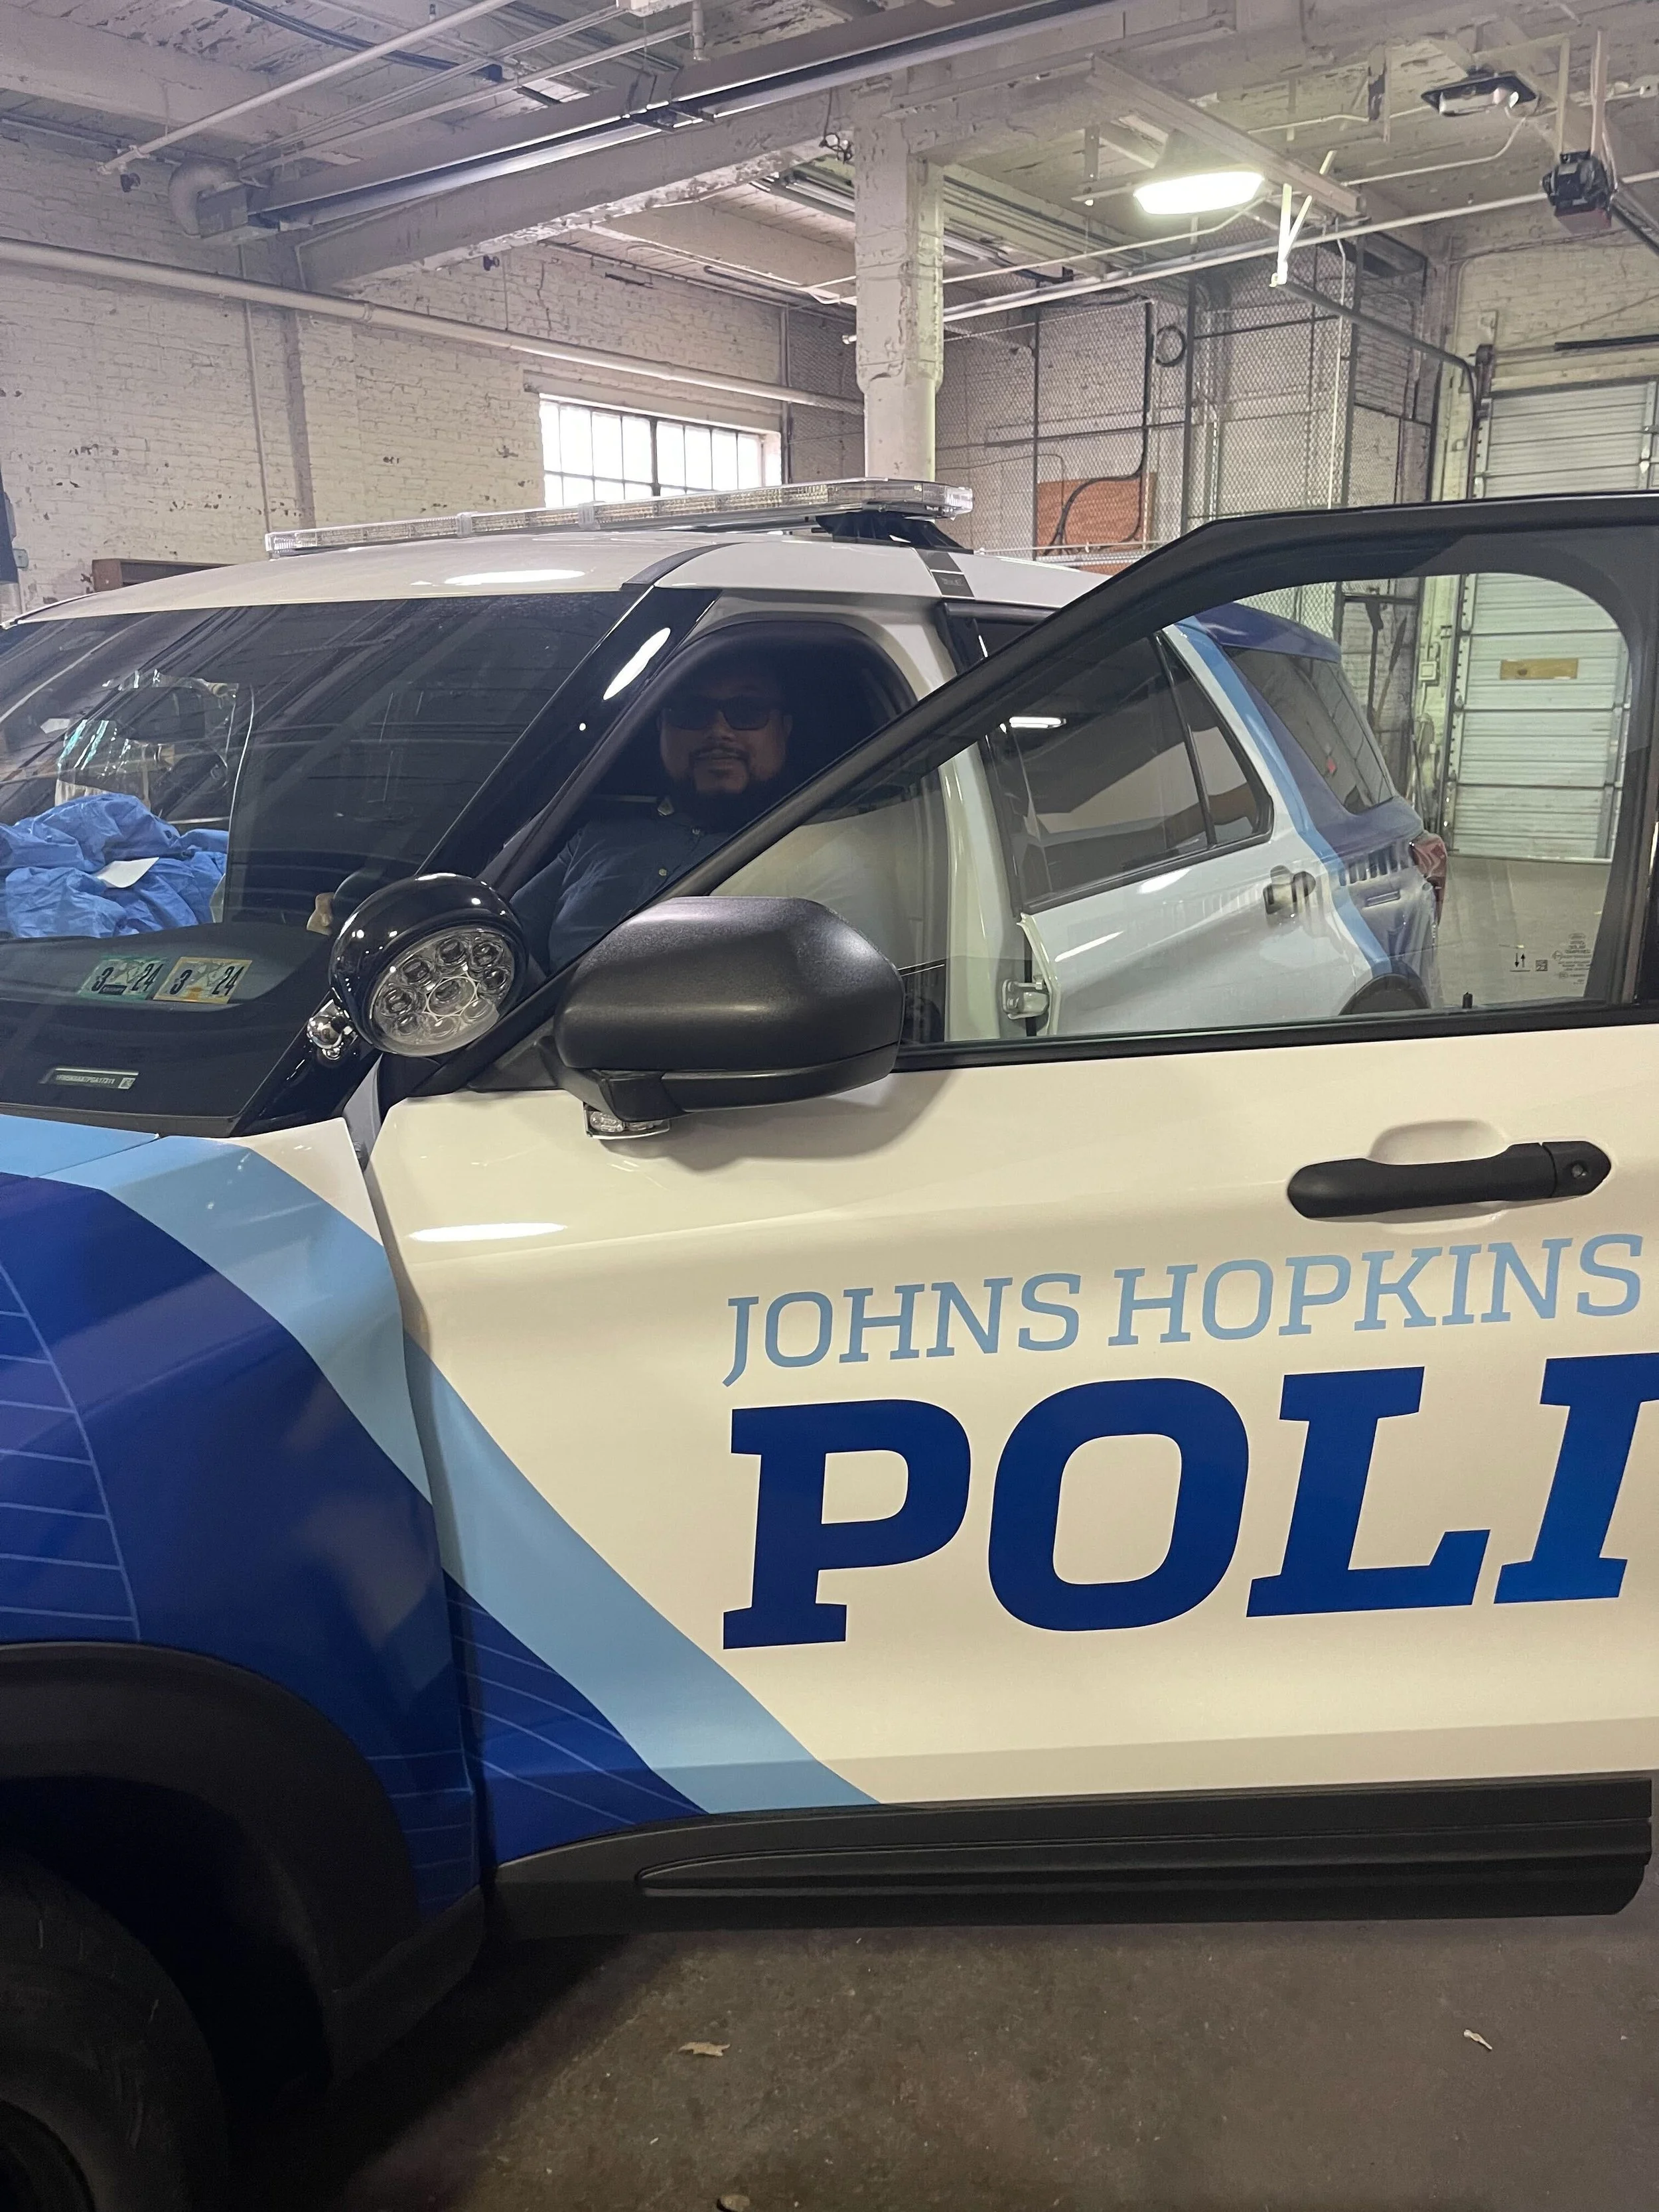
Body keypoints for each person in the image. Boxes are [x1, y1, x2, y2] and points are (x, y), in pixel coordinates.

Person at [514, 656, 795, 973]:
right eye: (692, 710)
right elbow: (502, 946)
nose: (718, 731)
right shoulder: (595, 839)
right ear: (662, 727)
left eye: (747, 710)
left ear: (783, 730)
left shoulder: (812, 844)